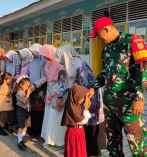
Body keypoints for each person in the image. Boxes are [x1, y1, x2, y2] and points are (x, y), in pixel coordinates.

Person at [87, 17, 147, 156]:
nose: (98, 38)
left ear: (106, 29)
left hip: (129, 104)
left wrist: (139, 98)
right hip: (110, 103)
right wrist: (93, 88)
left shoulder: (132, 41)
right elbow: (104, 72)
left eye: (98, 34)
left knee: (137, 145)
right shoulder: (107, 47)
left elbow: (143, 71)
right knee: (113, 146)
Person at [53, 45, 106, 156]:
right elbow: (68, 83)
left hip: (89, 98)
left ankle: (92, 152)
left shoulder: (80, 65)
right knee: (84, 124)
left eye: (61, 60)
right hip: (82, 98)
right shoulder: (71, 64)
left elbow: (83, 86)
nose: (61, 63)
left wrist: (79, 102)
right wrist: (60, 94)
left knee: (90, 124)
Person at [33, 44, 66, 147]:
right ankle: (48, 138)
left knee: (55, 116)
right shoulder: (48, 62)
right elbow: (45, 77)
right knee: (48, 115)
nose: (44, 57)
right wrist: (35, 84)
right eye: (43, 55)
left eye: (45, 55)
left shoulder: (59, 64)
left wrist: (58, 94)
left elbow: (64, 81)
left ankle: (55, 140)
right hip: (49, 92)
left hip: (57, 93)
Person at [61, 85, 92, 157]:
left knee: (79, 151)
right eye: (83, 97)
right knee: (75, 152)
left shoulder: (75, 105)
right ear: (77, 97)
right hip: (74, 133)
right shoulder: (73, 108)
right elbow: (83, 120)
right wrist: (86, 109)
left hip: (78, 132)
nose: (84, 99)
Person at [27, 43, 47, 141]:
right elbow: (31, 73)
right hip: (32, 88)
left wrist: (36, 84)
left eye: (33, 52)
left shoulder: (44, 61)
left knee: (39, 111)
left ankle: (38, 133)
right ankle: (31, 131)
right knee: (32, 110)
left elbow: (46, 76)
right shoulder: (33, 61)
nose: (32, 54)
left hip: (40, 88)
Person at [16, 77, 34, 150]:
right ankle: (20, 142)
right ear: (21, 85)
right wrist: (28, 94)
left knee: (26, 124)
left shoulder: (26, 91)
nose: (27, 88)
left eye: (28, 86)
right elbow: (23, 101)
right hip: (21, 110)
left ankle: (23, 136)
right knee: (21, 126)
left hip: (27, 110)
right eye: (26, 86)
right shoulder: (19, 92)